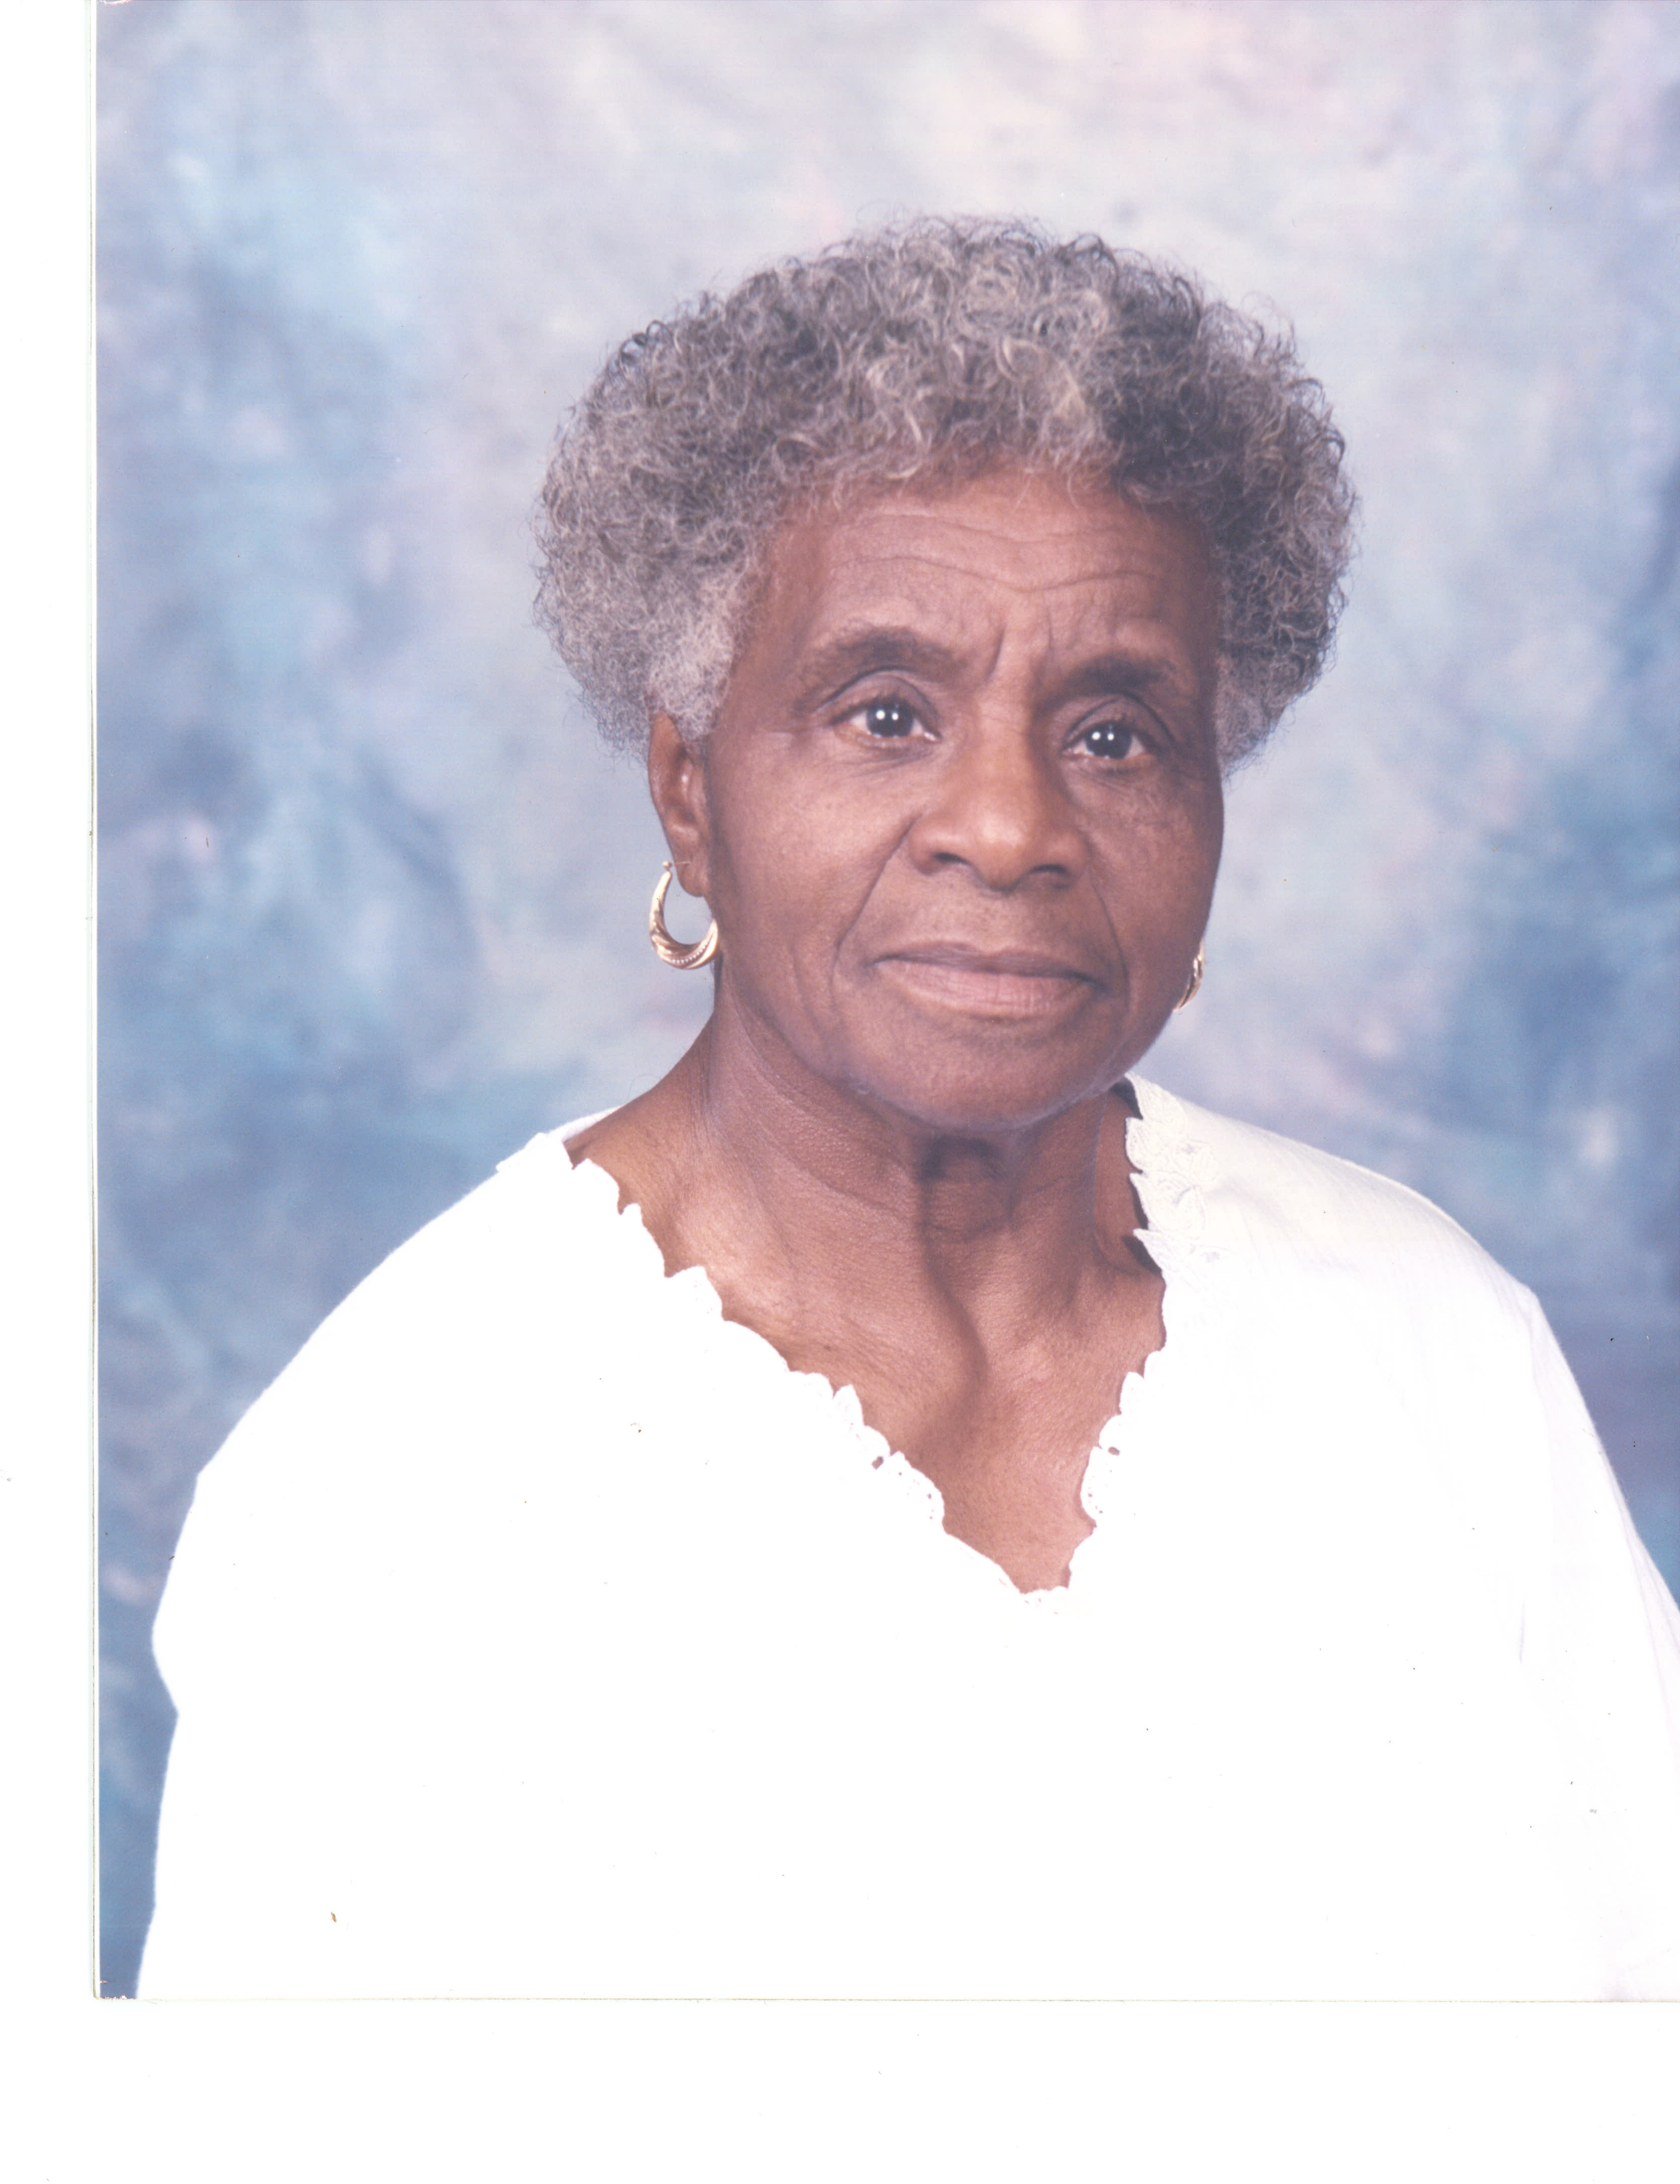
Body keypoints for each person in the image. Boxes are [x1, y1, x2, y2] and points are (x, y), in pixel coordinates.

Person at [139, 219, 1680, 2000]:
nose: (1011, 829)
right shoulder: (400, 1470)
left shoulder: (1423, 1342)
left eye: (1115, 734)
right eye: (886, 714)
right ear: (691, 789)